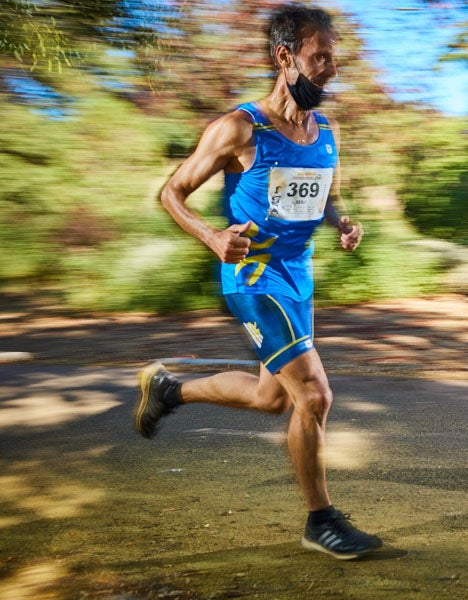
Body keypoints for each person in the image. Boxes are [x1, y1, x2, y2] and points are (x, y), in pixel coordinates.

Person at [132, 4, 382, 560]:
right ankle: (321, 521)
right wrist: (213, 237)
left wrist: (341, 221)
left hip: (298, 277)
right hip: (251, 272)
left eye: (334, 58)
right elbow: (173, 192)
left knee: (275, 398)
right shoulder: (239, 128)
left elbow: (319, 194)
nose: (331, 70)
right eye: (320, 57)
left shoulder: (324, 132)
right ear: (285, 56)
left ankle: (171, 390)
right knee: (314, 394)